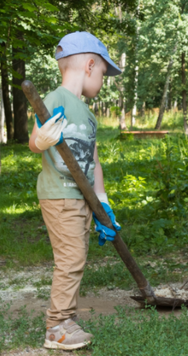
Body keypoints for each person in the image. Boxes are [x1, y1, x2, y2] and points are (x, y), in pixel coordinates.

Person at [29, 31, 123, 350]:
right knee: (70, 259)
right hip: (59, 194)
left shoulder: (88, 115)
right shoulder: (55, 99)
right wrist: (41, 140)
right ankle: (56, 327)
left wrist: (103, 203)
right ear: (90, 65)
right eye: (102, 74)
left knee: (77, 257)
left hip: (81, 198)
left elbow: (93, 163)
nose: (102, 80)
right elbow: (34, 140)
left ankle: (66, 319)